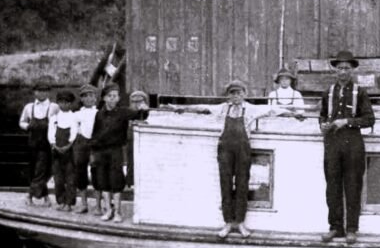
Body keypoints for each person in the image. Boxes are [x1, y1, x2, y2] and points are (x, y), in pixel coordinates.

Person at [160, 80, 299, 238]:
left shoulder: (251, 109)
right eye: (232, 93)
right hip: (225, 150)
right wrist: (180, 108)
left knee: (242, 185)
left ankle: (240, 223)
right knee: (225, 185)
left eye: (239, 93)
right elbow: (201, 108)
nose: (236, 96)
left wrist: (295, 114)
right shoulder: (222, 108)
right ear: (228, 96)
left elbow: (274, 110)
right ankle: (227, 223)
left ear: (244, 94)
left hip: (243, 150)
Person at [319, 50, 375, 244]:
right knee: (332, 187)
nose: (343, 71)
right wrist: (323, 125)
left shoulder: (360, 92)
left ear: (352, 70)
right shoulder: (328, 92)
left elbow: (369, 119)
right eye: (340, 68)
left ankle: (351, 229)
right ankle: (335, 228)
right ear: (335, 70)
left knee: (353, 186)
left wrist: (347, 122)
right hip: (332, 144)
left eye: (347, 68)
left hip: (353, 144)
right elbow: (322, 116)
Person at [90, 84, 148, 222]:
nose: (112, 99)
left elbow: (139, 115)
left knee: (116, 180)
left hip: (115, 151)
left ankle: (118, 212)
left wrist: (144, 110)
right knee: (103, 181)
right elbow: (95, 134)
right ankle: (108, 211)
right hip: (100, 152)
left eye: (115, 96)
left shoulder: (123, 112)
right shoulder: (99, 114)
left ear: (118, 98)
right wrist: (93, 152)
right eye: (109, 96)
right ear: (104, 98)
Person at [19, 81, 60, 206]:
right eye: (39, 90)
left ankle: (29, 195)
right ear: (34, 92)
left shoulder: (54, 107)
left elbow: (60, 122)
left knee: (42, 171)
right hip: (32, 143)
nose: (41, 93)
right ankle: (46, 197)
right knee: (34, 171)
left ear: (48, 93)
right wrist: (28, 126)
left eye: (44, 91)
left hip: (46, 144)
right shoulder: (29, 107)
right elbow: (22, 122)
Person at [72, 84, 100, 214]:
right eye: (86, 96)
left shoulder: (100, 113)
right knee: (80, 172)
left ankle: (98, 205)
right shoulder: (76, 114)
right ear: (81, 99)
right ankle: (83, 204)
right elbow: (73, 129)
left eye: (91, 95)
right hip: (81, 144)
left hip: (96, 144)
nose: (89, 98)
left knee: (97, 173)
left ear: (95, 98)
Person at [48, 90, 77, 211]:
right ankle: (60, 201)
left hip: (69, 151)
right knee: (58, 178)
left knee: (70, 178)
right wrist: (54, 145)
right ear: (58, 103)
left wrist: (68, 145)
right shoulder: (54, 118)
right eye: (61, 102)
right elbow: (51, 133)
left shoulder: (74, 117)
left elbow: (74, 132)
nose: (64, 105)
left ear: (71, 104)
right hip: (56, 150)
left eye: (67, 103)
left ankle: (69, 203)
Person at [125, 90, 150, 188]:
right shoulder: (128, 113)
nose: (136, 104)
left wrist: (144, 111)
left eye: (139, 101)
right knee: (131, 160)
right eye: (133, 102)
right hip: (131, 140)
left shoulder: (148, 112)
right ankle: (130, 181)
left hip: (145, 141)